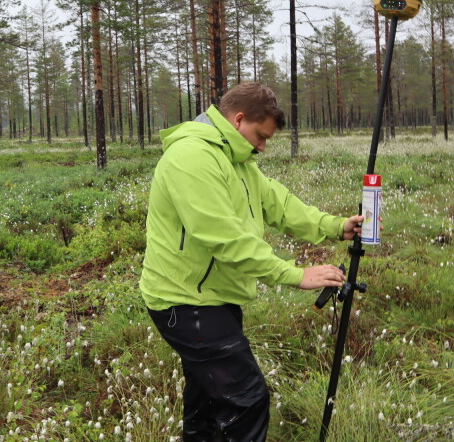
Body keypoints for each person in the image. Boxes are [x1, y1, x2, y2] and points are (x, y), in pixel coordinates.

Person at [140, 82, 363, 441]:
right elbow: (224, 238)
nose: (262, 147)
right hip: (186, 302)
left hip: (213, 297)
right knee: (248, 400)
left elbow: (278, 204)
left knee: (208, 401)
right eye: (260, 136)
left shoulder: (236, 159)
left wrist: (334, 226)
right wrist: (294, 275)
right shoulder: (192, 158)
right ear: (239, 119)